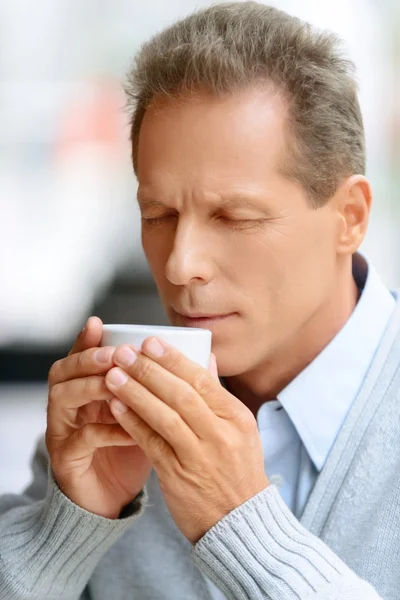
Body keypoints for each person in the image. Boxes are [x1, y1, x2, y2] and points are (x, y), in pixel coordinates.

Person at [0, 2, 399, 599]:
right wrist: (68, 525)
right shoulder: (110, 425)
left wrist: (240, 526)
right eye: (157, 214)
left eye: (234, 216)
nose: (180, 264)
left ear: (350, 217)